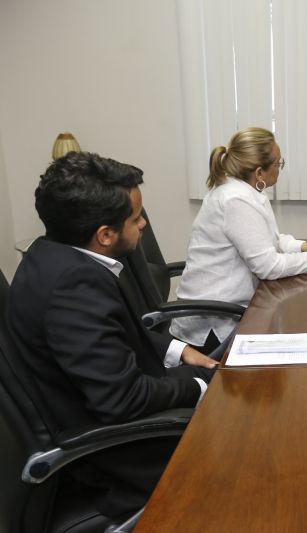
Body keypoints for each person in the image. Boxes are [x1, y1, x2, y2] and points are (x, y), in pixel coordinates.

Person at [8, 151, 219, 520]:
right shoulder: (74, 286)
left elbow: (110, 335)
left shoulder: (52, 253)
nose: (143, 227)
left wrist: (178, 349)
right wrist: (200, 388)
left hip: (110, 408)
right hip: (120, 453)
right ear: (105, 234)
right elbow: (123, 398)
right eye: (136, 218)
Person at [171, 127, 307, 350]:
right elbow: (268, 267)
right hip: (214, 321)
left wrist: (306, 246)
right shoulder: (236, 199)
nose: (280, 168)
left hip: (237, 306)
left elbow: (271, 240)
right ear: (259, 172)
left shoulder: (249, 191)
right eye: (278, 163)